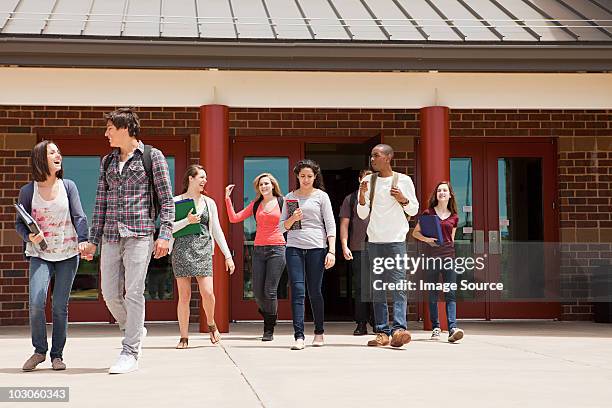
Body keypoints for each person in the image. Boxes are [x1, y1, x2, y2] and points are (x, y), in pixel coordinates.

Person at [83, 108, 175, 374]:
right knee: (110, 294)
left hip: (140, 234)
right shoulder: (107, 162)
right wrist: (93, 240)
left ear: (126, 129)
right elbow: (100, 202)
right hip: (111, 235)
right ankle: (135, 328)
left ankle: (130, 351)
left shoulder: (151, 157)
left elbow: (166, 200)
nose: (106, 133)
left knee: (133, 292)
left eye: (110, 128)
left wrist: (165, 234)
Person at [16, 141, 89, 371]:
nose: (59, 154)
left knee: (59, 305)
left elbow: (79, 217)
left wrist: (84, 239)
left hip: (67, 253)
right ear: (41, 158)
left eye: (59, 150)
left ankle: (57, 355)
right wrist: (29, 237)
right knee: (36, 302)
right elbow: (19, 223)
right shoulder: (28, 191)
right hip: (40, 254)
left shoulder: (68, 186)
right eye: (52, 152)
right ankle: (39, 351)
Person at [357, 144, 419, 348]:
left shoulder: (404, 180)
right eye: (371, 155)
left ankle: (399, 330)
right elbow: (362, 214)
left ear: (388, 157)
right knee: (378, 288)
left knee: (398, 286)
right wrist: (361, 197)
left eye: (376, 155)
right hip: (375, 241)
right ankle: (382, 332)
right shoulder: (368, 180)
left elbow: (414, 208)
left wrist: (402, 198)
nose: (372, 159)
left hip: (396, 242)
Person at [171, 165, 235, 348]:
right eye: (201, 177)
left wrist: (227, 255)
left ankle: (211, 323)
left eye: (205, 177)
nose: (204, 181)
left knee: (208, 292)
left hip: (204, 250)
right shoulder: (176, 201)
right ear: (190, 178)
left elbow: (217, 230)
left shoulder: (209, 202)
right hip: (181, 250)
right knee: (184, 296)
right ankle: (184, 337)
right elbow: (169, 228)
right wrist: (186, 221)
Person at [281, 159, 336, 350]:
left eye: (309, 176)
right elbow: (282, 227)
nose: (306, 179)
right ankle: (299, 336)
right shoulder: (290, 197)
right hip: (294, 247)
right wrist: (293, 218)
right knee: (297, 291)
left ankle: (319, 332)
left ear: (315, 177)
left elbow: (330, 224)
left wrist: (332, 250)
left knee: (314, 291)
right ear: (297, 176)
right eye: (302, 176)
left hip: (317, 248)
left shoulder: (321, 196)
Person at [225, 173, 286, 341]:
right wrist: (227, 199)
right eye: (261, 185)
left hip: (277, 249)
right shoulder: (255, 204)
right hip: (259, 250)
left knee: (270, 290)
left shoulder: (283, 202)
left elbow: (292, 224)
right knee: (258, 293)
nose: (264, 187)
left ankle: (269, 329)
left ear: (273, 185)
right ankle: (270, 314)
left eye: (266, 183)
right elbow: (234, 218)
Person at [413, 181, 465, 343]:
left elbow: (452, 239)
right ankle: (436, 327)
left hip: (449, 258)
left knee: (450, 294)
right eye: (439, 191)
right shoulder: (428, 213)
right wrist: (427, 240)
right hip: (432, 258)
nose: (442, 193)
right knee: (433, 293)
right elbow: (416, 233)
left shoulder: (454, 216)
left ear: (450, 195)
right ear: (436, 195)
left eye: (445, 190)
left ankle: (452, 328)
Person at [339, 169, 373, 336]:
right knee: (360, 287)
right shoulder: (350, 198)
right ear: (359, 179)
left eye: (370, 178)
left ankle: (378, 322)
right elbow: (344, 224)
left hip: (379, 247)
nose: (367, 181)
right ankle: (361, 323)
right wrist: (344, 246)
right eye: (364, 178)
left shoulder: (380, 199)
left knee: (378, 286)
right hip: (358, 248)